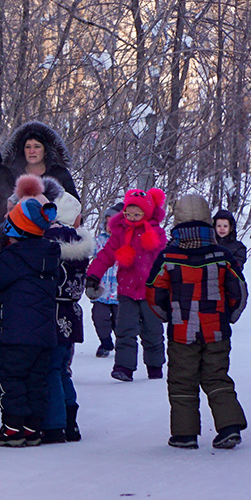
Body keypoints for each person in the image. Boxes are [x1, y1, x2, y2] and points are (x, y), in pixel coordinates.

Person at [148, 193, 248, 450]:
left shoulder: (168, 257)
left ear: (177, 221)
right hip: (216, 330)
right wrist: (229, 316)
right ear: (208, 221)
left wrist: (168, 317)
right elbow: (238, 289)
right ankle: (229, 427)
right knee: (217, 377)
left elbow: (154, 291)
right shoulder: (223, 255)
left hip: (182, 331)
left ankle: (184, 434)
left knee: (182, 381)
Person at [0, 195, 61, 448]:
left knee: (10, 377)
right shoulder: (49, 254)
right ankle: (32, 428)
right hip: (45, 334)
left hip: (17, 333)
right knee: (36, 380)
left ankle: (12, 428)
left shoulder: (14, 256)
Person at [85, 189, 167, 382]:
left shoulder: (156, 233)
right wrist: (93, 276)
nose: (131, 218)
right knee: (125, 329)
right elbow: (106, 255)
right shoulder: (120, 232)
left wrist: (168, 285)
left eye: (136, 215)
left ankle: (155, 367)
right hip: (127, 290)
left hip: (150, 292)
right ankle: (124, 367)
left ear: (146, 214)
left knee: (152, 331)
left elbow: (165, 260)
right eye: (128, 214)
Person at [37, 176, 88, 444]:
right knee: (63, 369)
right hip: (72, 314)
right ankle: (71, 422)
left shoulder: (49, 242)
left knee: (50, 369)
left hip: (52, 314)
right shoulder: (80, 245)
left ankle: (55, 424)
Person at [2, 121, 79, 199]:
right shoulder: (12, 175)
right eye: (28, 147)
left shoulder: (60, 174)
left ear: (45, 151)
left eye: (37, 146)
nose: (32, 151)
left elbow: (74, 205)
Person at [89, 202, 120, 357]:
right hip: (101, 289)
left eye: (113, 223)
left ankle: (123, 344)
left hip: (120, 291)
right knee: (99, 317)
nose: (110, 226)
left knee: (119, 321)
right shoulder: (99, 240)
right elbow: (90, 254)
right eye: (107, 223)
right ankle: (105, 342)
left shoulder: (127, 241)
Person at [211, 210, 247, 275]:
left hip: (228, 280)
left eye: (225, 226)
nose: (222, 228)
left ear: (230, 228)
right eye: (219, 226)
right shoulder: (209, 243)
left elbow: (238, 265)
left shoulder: (238, 247)